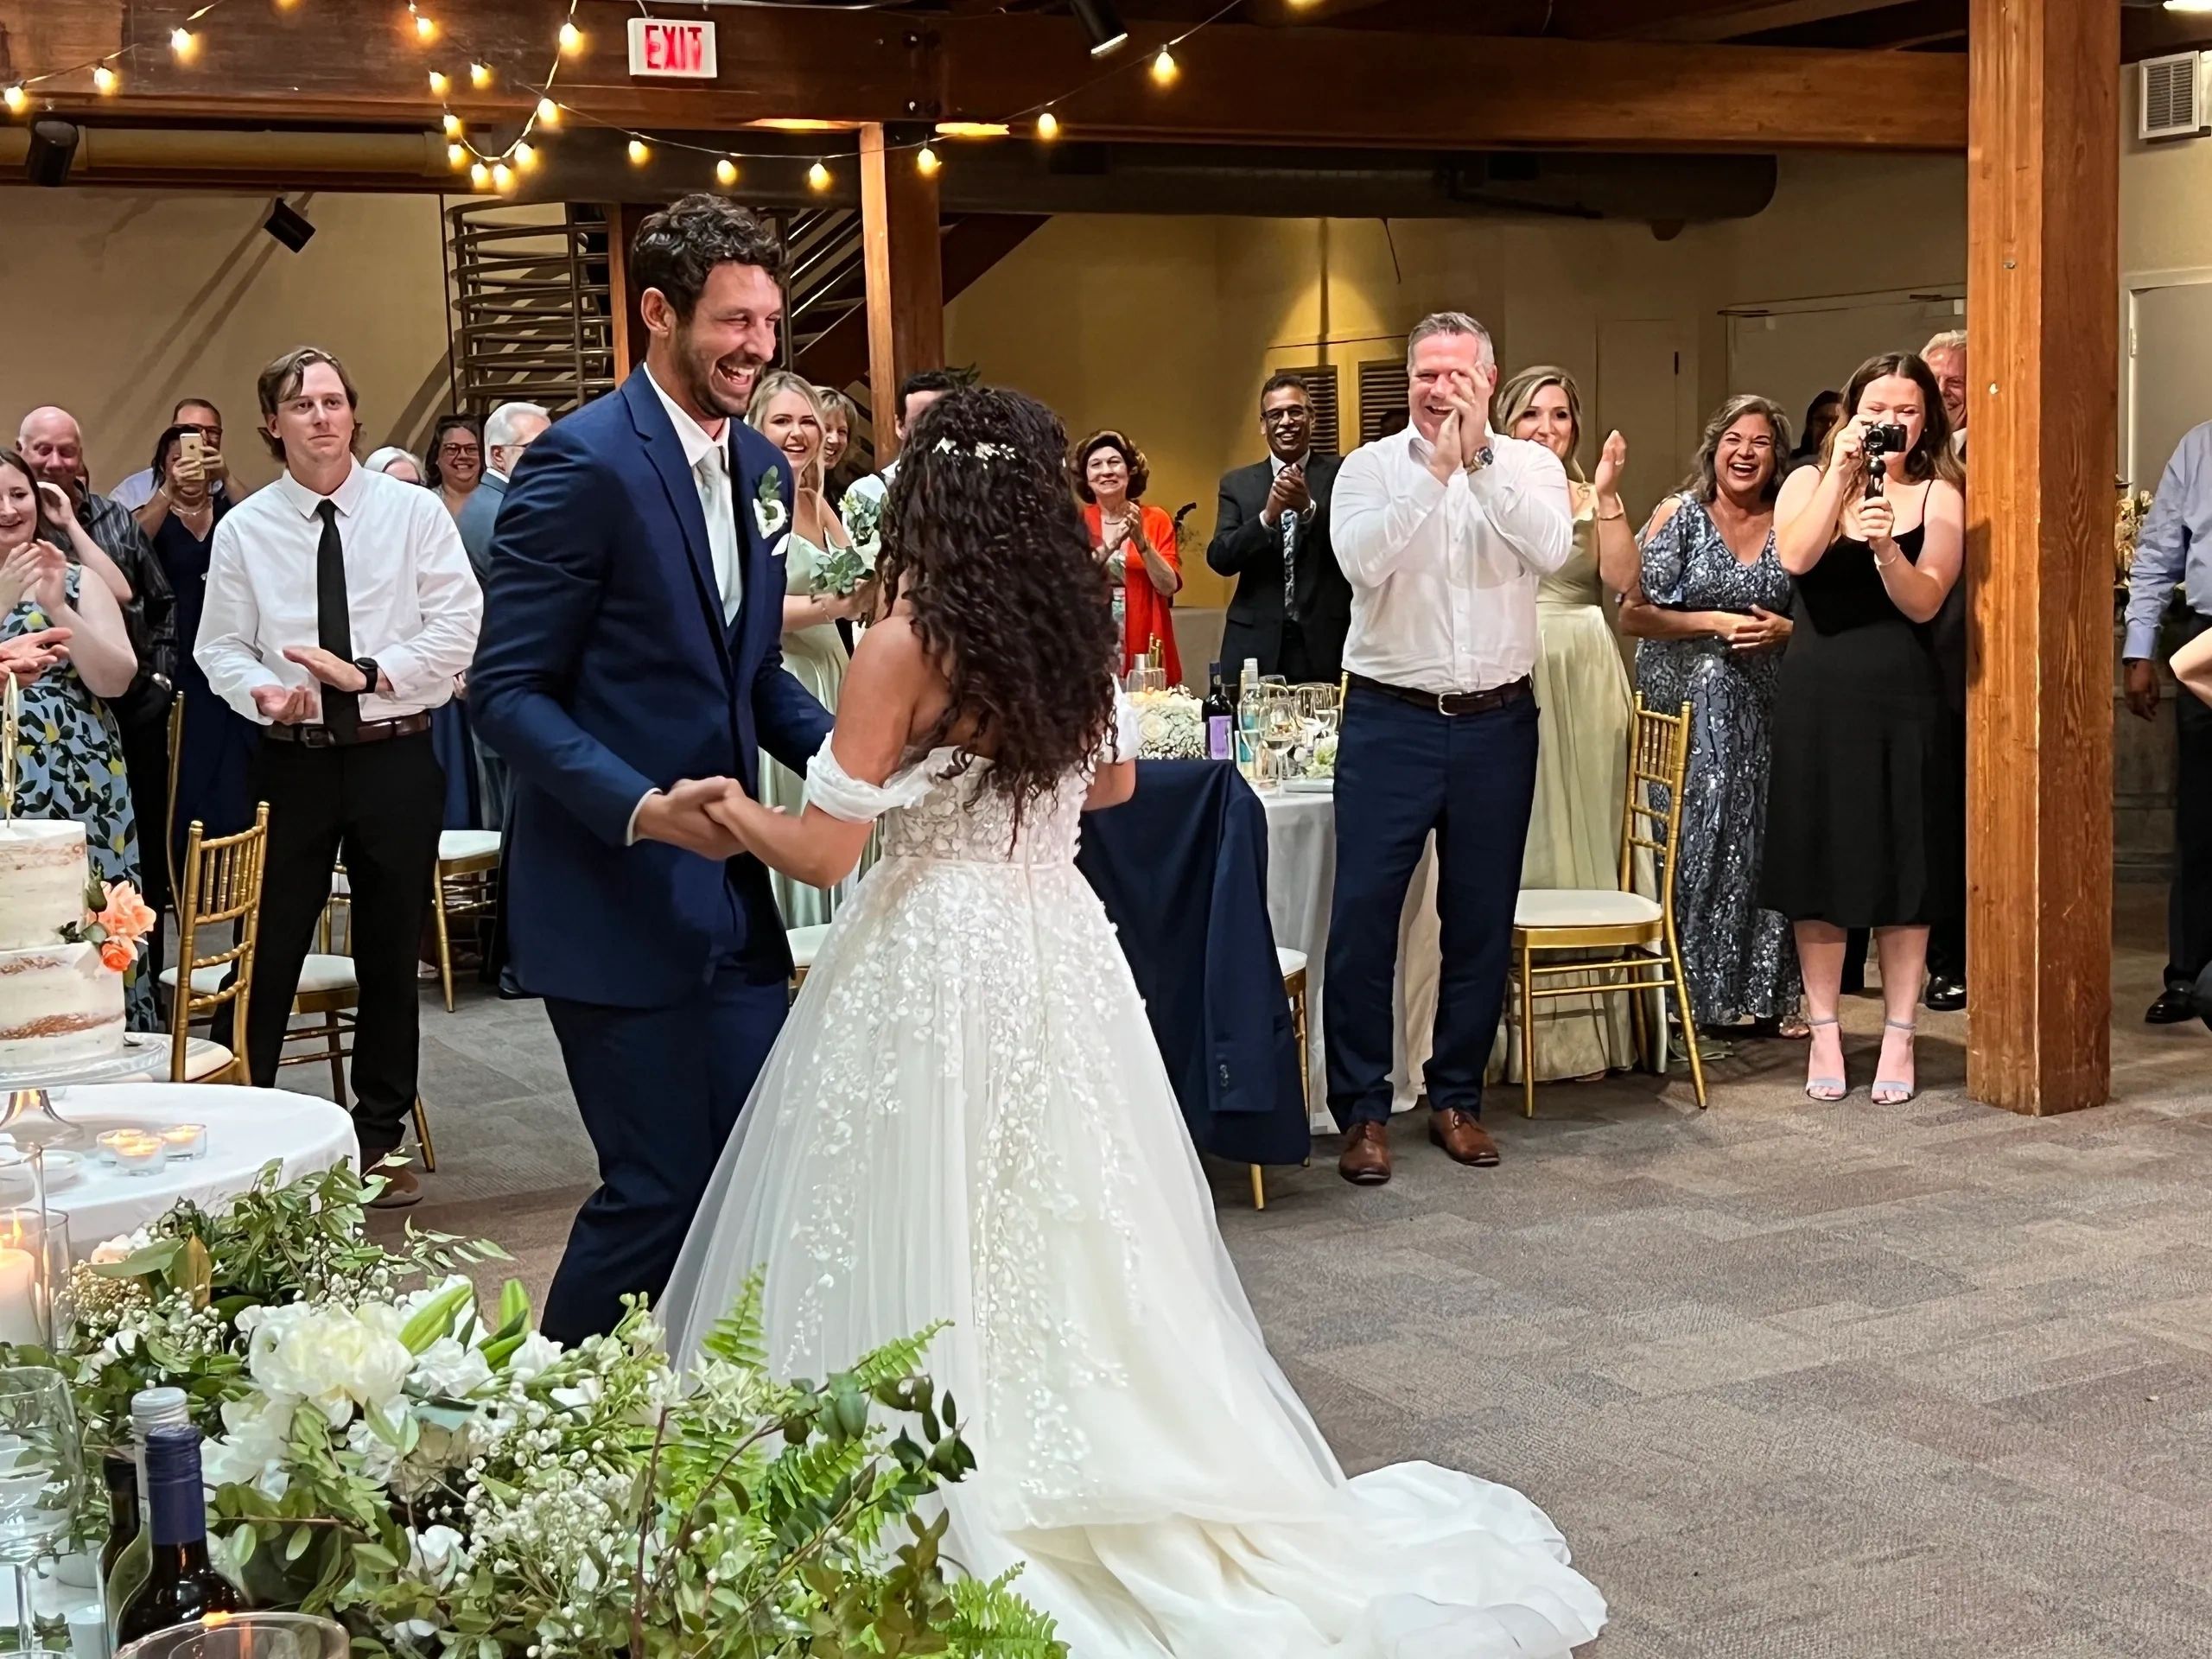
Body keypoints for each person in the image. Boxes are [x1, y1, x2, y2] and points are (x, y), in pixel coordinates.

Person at [658, 384, 1607, 1659]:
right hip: (1054, 945)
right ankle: (1099, 1444)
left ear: (928, 497)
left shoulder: (903, 642)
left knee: (917, 1203)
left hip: (935, 950)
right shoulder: (1072, 630)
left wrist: (717, 814)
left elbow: (826, 855)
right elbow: (1108, 783)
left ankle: (937, 1471)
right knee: (1076, 1218)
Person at [467, 194, 835, 1344]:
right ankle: (542, 1425)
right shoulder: (581, 464)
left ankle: (701, 1420)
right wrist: (637, 809)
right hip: (610, 901)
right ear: (658, 314)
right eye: (733, 322)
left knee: (754, 1175)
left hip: (731, 901)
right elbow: (504, 693)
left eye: (769, 322)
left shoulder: (766, 473)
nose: (756, 348)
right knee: (658, 1188)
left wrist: (860, 759)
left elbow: (747, 678)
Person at [195, 346, 482, 1207]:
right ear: (273, 426)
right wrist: (264, 694)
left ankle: (377, 1137)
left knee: (391, 950)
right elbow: (219, 648)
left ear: (353, 416)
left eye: (333, 401)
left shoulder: (412, 514)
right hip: (295, 760)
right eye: (301, 404)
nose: (321, 416)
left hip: (395, 751)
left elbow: (458, 624)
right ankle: (244, 1127)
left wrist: (368, 672)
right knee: (272, 943)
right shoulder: (247, 528)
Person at [1325, 313, 1574, 1186]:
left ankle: (1457, 1097)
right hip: (1389, 720)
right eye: (1426, 375)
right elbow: (1361, 562)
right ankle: (1360, 1110)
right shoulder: (1367, 468)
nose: (1440, 390)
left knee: (1477, 920)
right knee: (1364, 918)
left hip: (1496, 723)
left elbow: (1549, 547)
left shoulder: (1533, 466)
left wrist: (1476, 463)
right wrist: (1433, 470)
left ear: (1487, 375)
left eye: (1456, 375)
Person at [1764, 353, 1964, 1103]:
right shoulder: (1808, 482)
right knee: (1823, 865)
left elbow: (1924, 601)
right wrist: (1842, 477)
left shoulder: (1939, 493)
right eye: (1878, 407)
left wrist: (1885, 547)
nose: (1892, 422)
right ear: (1852, 413)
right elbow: (1795, 554)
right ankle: (1824, 1031)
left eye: (1908, 410)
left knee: (1901, 867)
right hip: (1819, 697)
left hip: (1902, 697)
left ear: (1926, 421)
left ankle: (1901, 1037)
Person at [1624, 394, 1804, 1046]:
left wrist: (1789, 630)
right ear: (1714, 449)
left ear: (1777, 457)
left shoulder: (1793, 522)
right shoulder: (1681, 516)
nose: (1745, 452)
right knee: (1701, 837)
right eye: (1734, 439)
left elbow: (1816, 611)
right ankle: (1684, 994)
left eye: (1760, 442)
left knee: (1761, 838)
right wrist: (1711, 622)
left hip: (1768, 702)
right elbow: (1633, 613)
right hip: (1688, 700)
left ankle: (1758, 992)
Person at [1492, 365, 1639, 1081]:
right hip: (1511, 663)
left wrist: (1607, 496)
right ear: (1504, 422)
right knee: (1524, 835)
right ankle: (1517, 1033)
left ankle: (1595, 1030)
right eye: (1530, 416)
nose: (1545, 429)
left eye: (1558, 416)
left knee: (1590, 827)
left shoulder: (1591, 494)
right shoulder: (1492, 491)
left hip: (1585, 666)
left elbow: (1621, 583)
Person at [18, 406, 178, 967]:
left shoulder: (112, 519)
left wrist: (158, 681)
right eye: (43, 451)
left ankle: (137, 983)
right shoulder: (14, 530)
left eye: (67, 451)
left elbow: (141, 597)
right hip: (24, 741)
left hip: (115, 719)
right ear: (22, 453)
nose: (56, 462)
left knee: (128, 864)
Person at [1, 447, 150, 1030]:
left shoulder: (78, 577)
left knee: (88, 916)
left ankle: (108, 1034)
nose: (10, 508)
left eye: (19, 494)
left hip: (82, 775)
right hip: (8, 776)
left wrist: (57, 604)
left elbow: (116, 677)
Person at [747, 370, 870, 927]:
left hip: (835, 672)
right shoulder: (759, 503)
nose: (797, 433)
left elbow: (858, 578)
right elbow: (751, 613)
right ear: (756, 428)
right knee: (805, 809)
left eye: (807, 422)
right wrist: (834, 608)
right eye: (782, 421)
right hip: (786, 676)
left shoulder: (818, 503)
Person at [2122, 418, 2212, 1024]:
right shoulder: (2199, 445)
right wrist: (2139, 650)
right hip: (2206, 640)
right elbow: (2157, 554)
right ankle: (2189, 974)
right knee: (2203, 818)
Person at [145, 423, 257, 860]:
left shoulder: (237, 509)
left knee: (237, 766)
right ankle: (181, 871)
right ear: (163, 466)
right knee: (186, 766)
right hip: (178, 658)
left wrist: (226, 477)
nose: (190, 466)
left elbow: (273, 529)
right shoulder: (153, 513)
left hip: (234, 650)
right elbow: (129, 544)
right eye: (178, 459)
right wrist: (167, 492)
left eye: (199, 456)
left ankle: (237, 868)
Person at [1205, 372, 1350, 683]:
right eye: (1275, 414)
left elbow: (1354, 546)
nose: (1286, 421)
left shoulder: (1343, 474)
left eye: (1295, 411)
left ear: (1311, 417)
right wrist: (1266, 518)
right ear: (1263, 425)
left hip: (1325, 639)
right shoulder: (1238, 484)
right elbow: (1220, 558)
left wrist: (1309, 510)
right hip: (1253, 640)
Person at [366, 447, 479, 835]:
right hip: (378, 702)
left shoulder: (434, 536)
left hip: (435, 688)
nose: (408, 495)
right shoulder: (357, 545)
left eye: (415, 485)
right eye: (395, 486)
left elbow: (457, 612)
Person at [1916, 328, 1970, 1014]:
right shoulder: (1909, 461)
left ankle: (1959, 956)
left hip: (1973, 653)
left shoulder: (1994, 455)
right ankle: (1940, 957)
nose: (1943, 394)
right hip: (1912, 655)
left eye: (1956, 383)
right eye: (1936, 382)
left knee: (1962, 814)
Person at [1076, 428, 1183, 683]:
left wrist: (1142, 543)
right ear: (1086, 477)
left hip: (1145, 634)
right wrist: (1112, 544)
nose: (1106, 471)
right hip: (1091, 639)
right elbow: (1071, 581)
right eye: (1096, 465)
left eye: (1115, 462)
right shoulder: (1075, 521)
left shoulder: (1155, 519)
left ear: (1130, 471)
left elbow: (1168, 586)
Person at [455, 403, 550, 583]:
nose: (551, 456)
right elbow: (530, 587)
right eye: (536, 446)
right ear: (498, 455)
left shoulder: (492, 500)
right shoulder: (504, 512)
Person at [117, 398, 235, 518]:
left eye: (212, 432)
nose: (204, 438)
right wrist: (168, 490)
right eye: (193, 429)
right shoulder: (134, 490)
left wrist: (227, 477)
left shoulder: (225, 487)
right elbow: (118, 534)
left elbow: (252, 519)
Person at [426, 415, 484, 523]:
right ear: (436, 457)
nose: (463, 456)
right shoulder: (425, 502)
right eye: (452, 449)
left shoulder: (498, 501)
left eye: (471, 449)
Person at [1784, 390, 1844, 478]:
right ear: (1810, 425)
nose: (1829, 426)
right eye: (1822, 420)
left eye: (1836, 421)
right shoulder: (1787, 464)